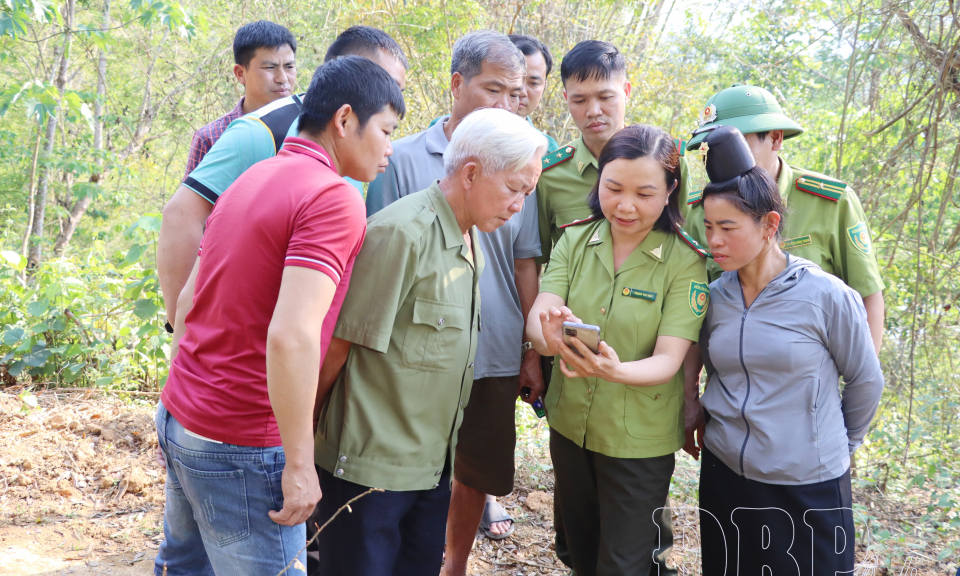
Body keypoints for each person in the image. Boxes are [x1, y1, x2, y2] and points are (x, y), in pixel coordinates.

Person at [154, 56, 404, 576]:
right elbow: (292, 335)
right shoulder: (334, 197)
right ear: (343, 120)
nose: (389, 148)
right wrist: (298, 462)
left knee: (183, 568)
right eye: (385, 129)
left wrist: (187, 397)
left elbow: (186, 302)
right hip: (243, 440)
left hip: (182, 416)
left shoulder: (255, 175)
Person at [311, 108, 547, 576]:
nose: (519, 205)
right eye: (514, 189)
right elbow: (337, 348)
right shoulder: (401, 233)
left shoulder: (468, 236)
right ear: (472, 173)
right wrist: (297, 448)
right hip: (369, 469)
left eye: (527, 193)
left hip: (432, 463)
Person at [365, 29, 537, 571]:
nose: (505, 103)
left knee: (469, 470)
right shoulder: (402, 156)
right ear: (457, 83)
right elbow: (377, 260)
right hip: (414, 352)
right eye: (493, 89)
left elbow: (523, 260)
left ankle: (453, 562)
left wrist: (531, 348)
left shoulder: (523, 161)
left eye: (515, 92)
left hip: (492, 346)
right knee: (405, 468)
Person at [691, 126, 884, 575]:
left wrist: (835, 446)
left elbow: (865, 379)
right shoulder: (715, 296)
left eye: (727, 228)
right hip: (725, 477)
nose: (713, 241)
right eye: (708, 228)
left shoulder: (825, 295)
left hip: (806, 485)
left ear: (769, 225)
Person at [526, 125, 709, 576]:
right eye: (613, 188)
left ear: (670, 192)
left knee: (625, 563)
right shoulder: (575, 239)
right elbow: (540, 312)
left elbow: (669, 359)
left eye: (644, 193)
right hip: (570, 428)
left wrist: (612, 371)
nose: (625, 206)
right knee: (578, 553)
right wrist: (548, 336)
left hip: (637, 441)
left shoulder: (686, 260)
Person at [158, 25, 409, 330]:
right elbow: (180, 216)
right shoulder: (261, 131)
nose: (391, 99)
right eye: (384, 82)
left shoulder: (360, 146)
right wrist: (186, 332)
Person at [683, 84, 885, 352]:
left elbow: (867, 294)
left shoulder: (830, 203)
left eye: (738, 143)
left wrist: (861, 383)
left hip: (811, 379)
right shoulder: (698, 214)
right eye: (711, 150)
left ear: (776, 138)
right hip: (731, 383)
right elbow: (692, 310)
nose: (724, 159)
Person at [183, 20, 298, 179]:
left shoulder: (311, 128)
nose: (283, 78)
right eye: (270, 68)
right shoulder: (211, 137)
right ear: (240, 73)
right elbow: (193, 201)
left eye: (289, 67)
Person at [510, 33, 559, 151]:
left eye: (534, 83)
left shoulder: (549, 150)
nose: (522, 91)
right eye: (515, 79)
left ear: (544, 87)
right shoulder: (466, 137)